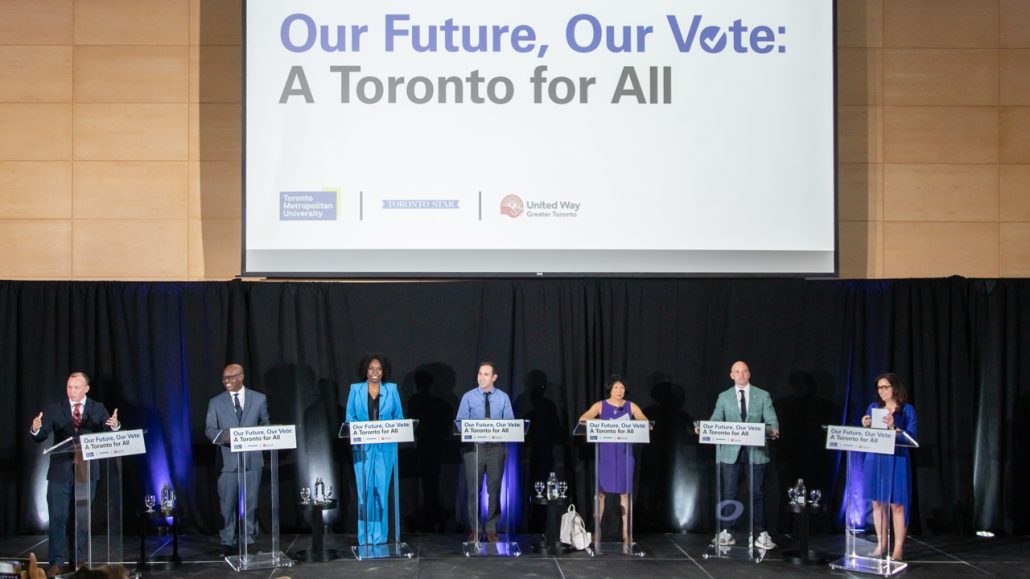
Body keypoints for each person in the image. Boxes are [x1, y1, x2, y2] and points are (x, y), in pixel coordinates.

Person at [29, 372, 121, 576]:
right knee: (58, 517)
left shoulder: (97, 408)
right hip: (60, 472)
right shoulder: (55, 409)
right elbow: (41, 434)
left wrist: (115, 426)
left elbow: (109, 430)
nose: (72, 391)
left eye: (76, 387)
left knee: (82, 518)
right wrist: (36, 429)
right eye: (69, 387)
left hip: (86, 471)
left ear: (86, 389)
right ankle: (56, 561)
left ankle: (79, 560)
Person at [706, 361, 779, 550]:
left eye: (744, 371)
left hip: (756, 452)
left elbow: (772, 423)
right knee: (729, 492)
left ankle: (760, 533)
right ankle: (727, 531)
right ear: (731, 375)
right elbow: (715, 421)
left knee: (757, 493)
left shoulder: (762, 395)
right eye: (737, 372)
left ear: (749, 374)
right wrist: (704, 428)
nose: (741, 374)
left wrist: (770, 431)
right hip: (730, 452)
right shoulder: (724, 397)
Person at [204, 363, 270, 557]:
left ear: (241, 377)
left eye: (230, 377)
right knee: (227, 504)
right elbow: (209, 430)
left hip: (252, 460)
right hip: (227, 461)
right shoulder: (215, 402)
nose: (226, 382)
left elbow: (265, 424)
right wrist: (227, 436)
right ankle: (227, 541)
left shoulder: (259, 399)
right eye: (224, 378)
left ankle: (249, 539)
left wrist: (254, 435)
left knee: (250, 502)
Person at [577, 374, 649, 550]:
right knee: (600, 493)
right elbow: (583, 419)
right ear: (610, 389)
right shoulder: (600, 405)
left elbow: (644, 421)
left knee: (625, 493)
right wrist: (604, 423)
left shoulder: (630, 406)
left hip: (625, 453)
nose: (619, 391)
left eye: (622, 388)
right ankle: (597, 531)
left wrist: (638, 423)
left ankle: (626, 533)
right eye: (616, 387)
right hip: (606, 453)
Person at [346, 354, 404, 545]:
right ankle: (364, 536)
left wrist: (384, 428)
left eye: (379, 369)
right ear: (366, 371)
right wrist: (364, 430)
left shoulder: (391, 389)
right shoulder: (355, 389)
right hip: (362, 447)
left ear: (383, 371)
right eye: (371, 369)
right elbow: (350, 418)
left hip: (385, 448)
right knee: (365, 491)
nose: (375, 373)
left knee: (381, 489)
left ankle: (379, 536)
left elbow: (399, 418)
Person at [455, 361, 514, 543]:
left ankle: (491, 529)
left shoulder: (503, 398)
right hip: (475, 448)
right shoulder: (468, 397)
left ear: (494, 377)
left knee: (494, 489)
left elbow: (510, 422)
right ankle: (475, 530)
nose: (481, 377)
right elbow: (459, 422)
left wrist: (495, 428)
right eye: (480, 374)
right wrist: (476, 428)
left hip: (496, 447)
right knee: (474, 490)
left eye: (486, 374)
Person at [860, 373, 917, 561]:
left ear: (895, 388)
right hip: (875, 458)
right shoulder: (873, 407)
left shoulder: (907, 410)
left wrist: (894, 427)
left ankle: (898, 548)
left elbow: (912, 438)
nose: (882, 391)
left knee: (897, 504)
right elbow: (869, 436)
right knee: (878, 503)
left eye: (885, 387)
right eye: (879, 388)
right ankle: (881, 544)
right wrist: (865, 426)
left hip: (897, 459)